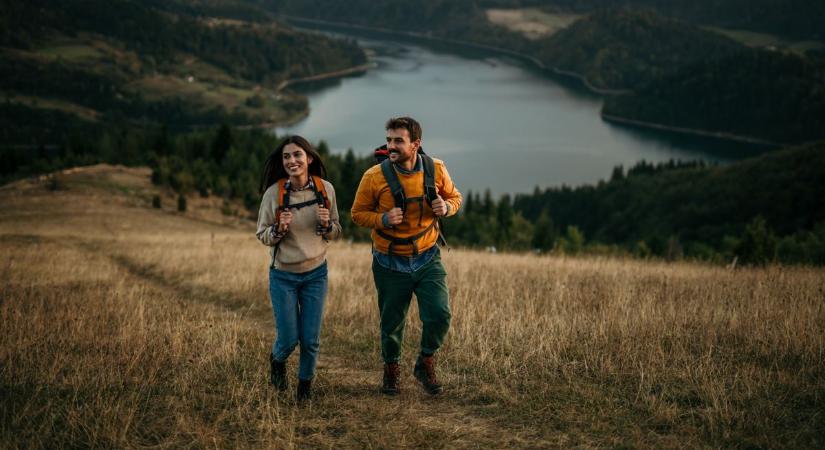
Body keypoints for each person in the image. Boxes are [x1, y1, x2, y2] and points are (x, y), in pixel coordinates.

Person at [351, 117, 462, 395]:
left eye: (398, 141)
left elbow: (456, 198)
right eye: (389, 140)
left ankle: (425, 360)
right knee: (391, 322)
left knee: (439, 314)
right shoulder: (374, 176)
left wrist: (445, 207)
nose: (391, 146)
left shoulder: (436, 168)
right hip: (389, 261)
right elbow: (357, 214)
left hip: (427, 257)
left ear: (416, 144)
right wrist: (383, 219)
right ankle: (391, 369)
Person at [256, 135, 341, 402]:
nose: (292, 161)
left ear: (309, 158)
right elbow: (262, 234)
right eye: (286, 157)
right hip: (283, 275)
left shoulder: (325, 189)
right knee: (289, 339)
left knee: (311, 339)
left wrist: (328, 226)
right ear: (282, 163)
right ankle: (277, 361)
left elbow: (336, 232)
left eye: (297, 155)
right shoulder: (274, 193)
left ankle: (304, 390)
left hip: (317, 274)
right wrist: (278, 229)